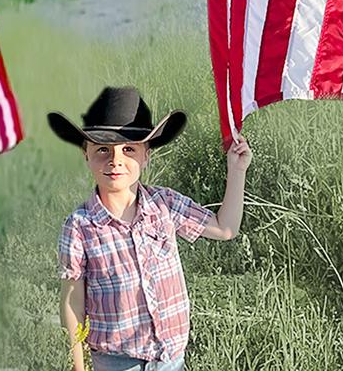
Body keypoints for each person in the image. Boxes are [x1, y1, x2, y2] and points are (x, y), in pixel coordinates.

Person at [49, 86, 252, 371]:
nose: (115, 160)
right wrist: (78, 366)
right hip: (117, 362)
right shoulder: (80, 226)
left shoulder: (164, 204)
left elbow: (225, 228)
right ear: (86, 154)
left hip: (171, 360)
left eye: (129, 149)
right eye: (102, 150)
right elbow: (73, 301)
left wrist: (237, 170)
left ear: (146, 156)